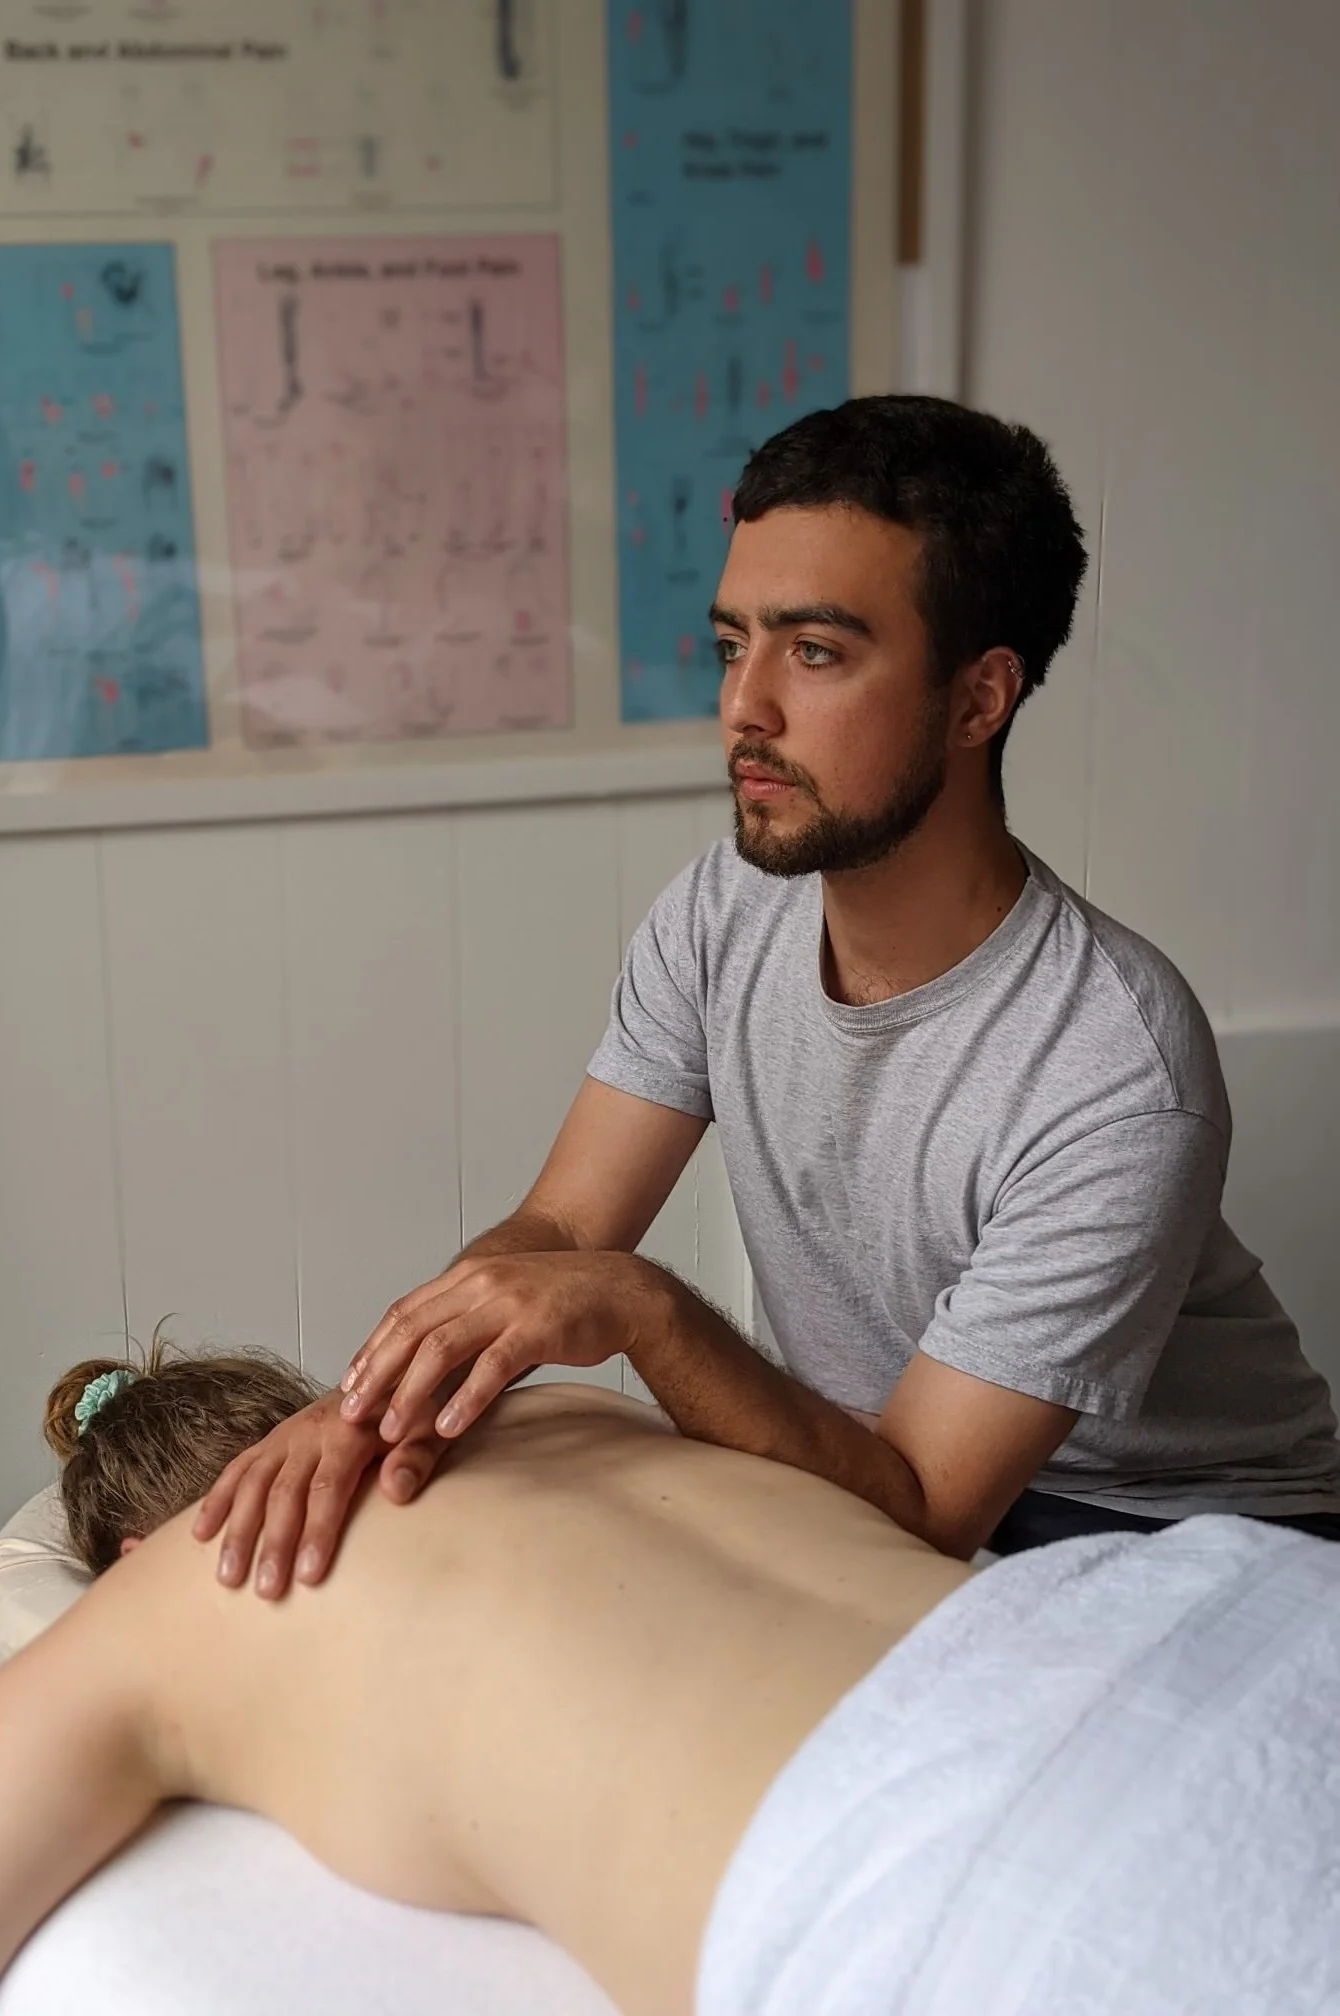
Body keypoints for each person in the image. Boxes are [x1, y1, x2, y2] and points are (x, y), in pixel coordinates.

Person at [195, 394, 1340, 1598]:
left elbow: (928, 1511)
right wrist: (359, 1408)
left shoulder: (1114, 1064)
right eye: (734, 644)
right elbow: (565, 1233)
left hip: (1190, 1541)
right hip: (897, 1481)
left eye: (816, 651)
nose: (746, 706)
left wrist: (644, 1310)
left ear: (978, 699)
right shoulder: (722, 912)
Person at [0, 1347, 1339, 2016]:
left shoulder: (171, 1603)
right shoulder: (547, 1402)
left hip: (992, 1884)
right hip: (1218, 1613)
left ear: (149, 1538)